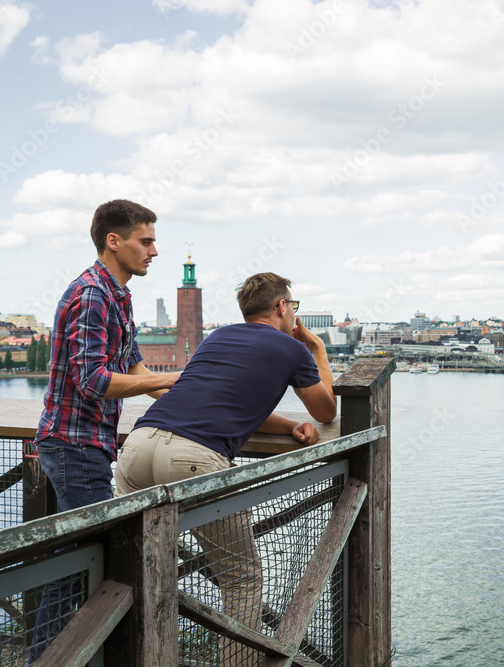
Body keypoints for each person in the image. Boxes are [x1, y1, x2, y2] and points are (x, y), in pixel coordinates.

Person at [113, 272, 336, 666]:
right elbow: (326, 411)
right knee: (240, 577)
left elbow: (224, 400)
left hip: (137, 446)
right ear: (282, 307)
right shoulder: (292, 348)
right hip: (194, 460)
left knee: (131, 568)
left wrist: (286, 424)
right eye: (294, 307)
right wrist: (316, 347)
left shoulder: (215, 339)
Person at [28, 199, 180, 663]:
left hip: (84, 444)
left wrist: (184, 401)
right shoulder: (93, 294)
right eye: (146, 240)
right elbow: (94, 380)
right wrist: (168, 378)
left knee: (81, 555)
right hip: (74, 446)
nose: (155, 250)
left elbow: (131, 363)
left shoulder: (118, 294)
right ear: (114, 241)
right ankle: (47, 659)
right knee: (82, 561)